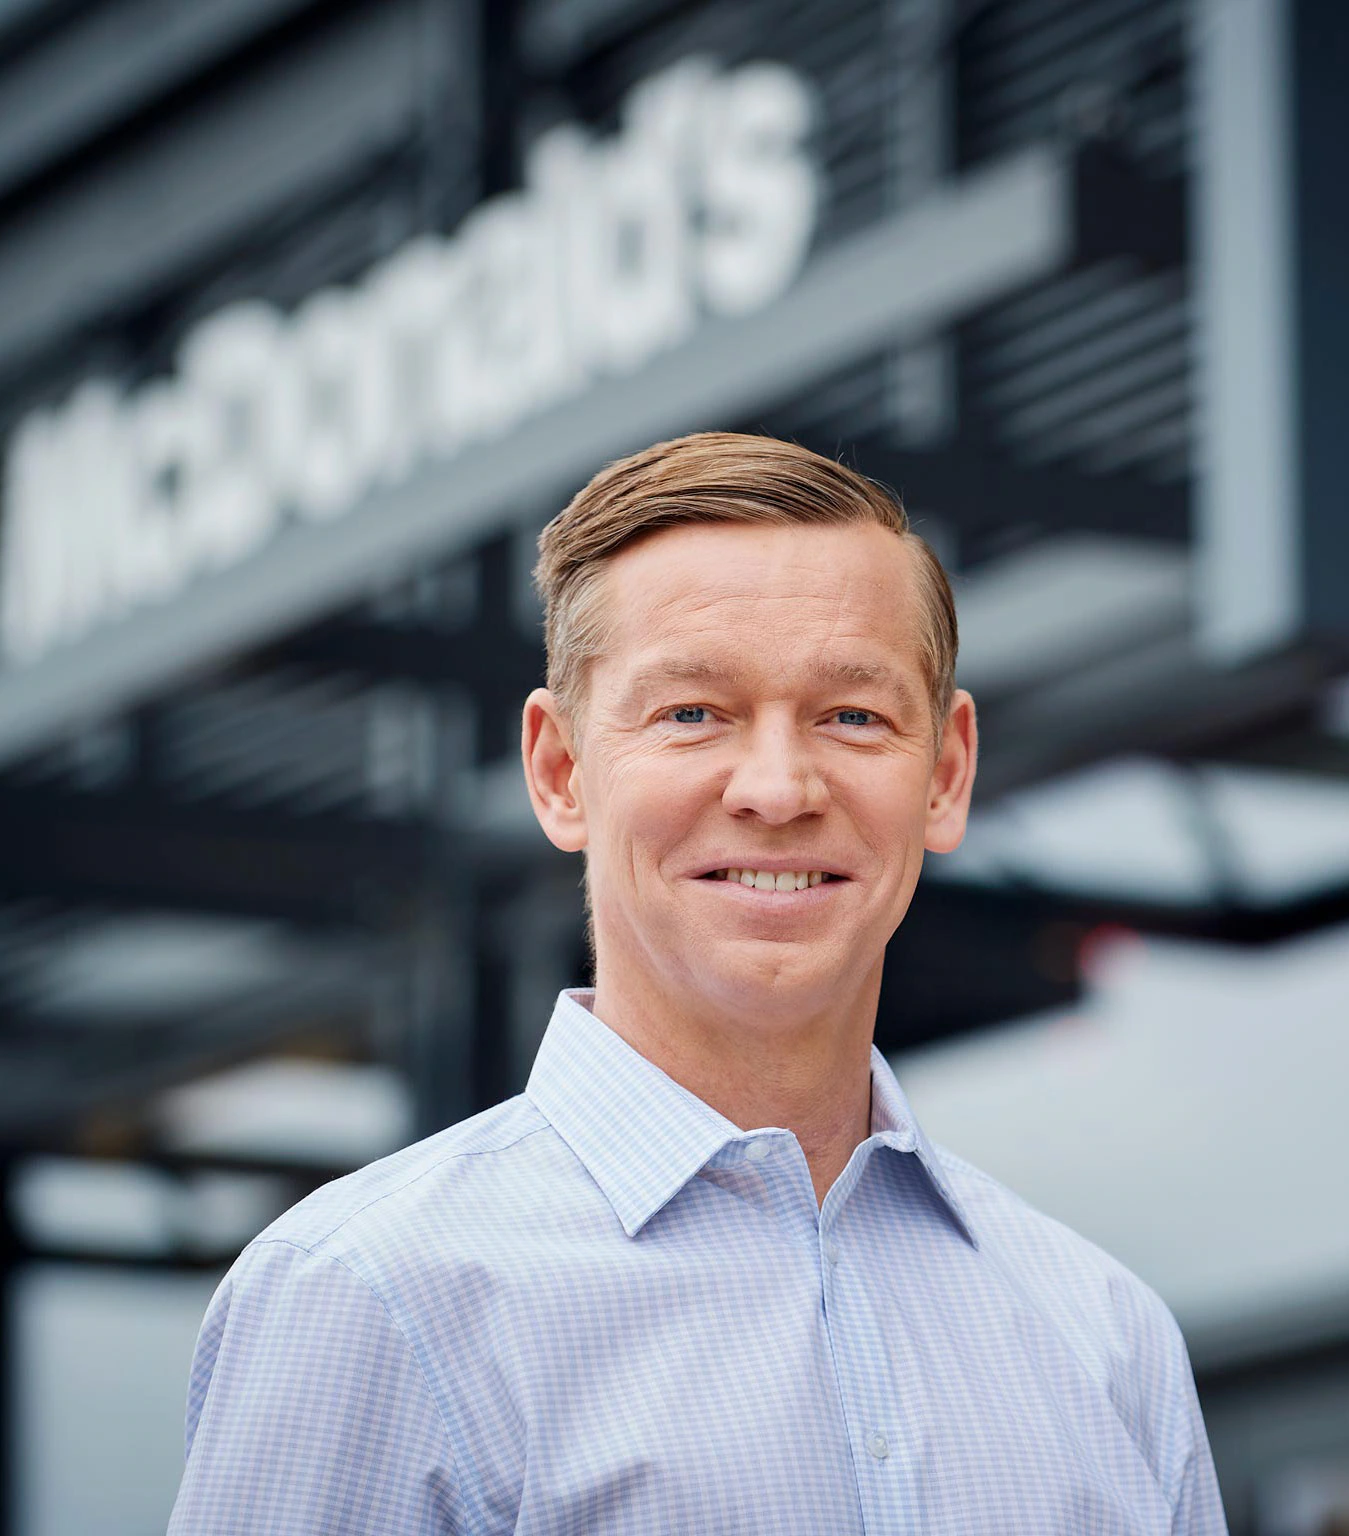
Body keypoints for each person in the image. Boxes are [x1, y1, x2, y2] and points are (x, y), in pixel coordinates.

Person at [168, 432, 1227, 1534]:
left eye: (852, 716)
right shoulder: (369, 1298)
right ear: (561, 772)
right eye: (691, 714)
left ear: (946, 775)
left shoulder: (1108, 1340)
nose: (778, 788)